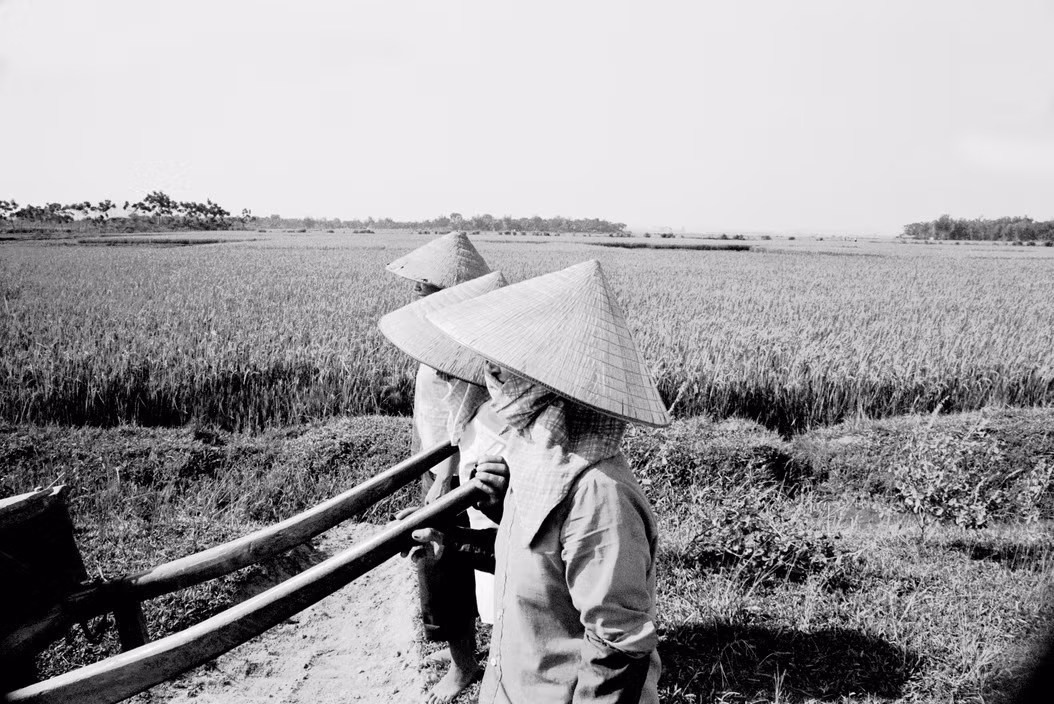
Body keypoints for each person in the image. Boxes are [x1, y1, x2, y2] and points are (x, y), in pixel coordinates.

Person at [418, 259, 671, 703]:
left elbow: (619, 651)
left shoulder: (599, 496)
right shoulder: (534, 461)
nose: (490, 377)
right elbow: (536, 570)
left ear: (546, 384)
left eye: (503, 366)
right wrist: (451, 541)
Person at [383, 232, 492, 703]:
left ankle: (465, 666)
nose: (416, 291)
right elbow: (427, 412)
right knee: (442, 559)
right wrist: (422, 464)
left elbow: (461, 417)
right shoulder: (436, 334)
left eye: (425, 285)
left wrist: (444, 478)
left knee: (447, 565)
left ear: (453, 290)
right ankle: (465, 661)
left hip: (461, 471)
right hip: (437, 466)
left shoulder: (467, 344)